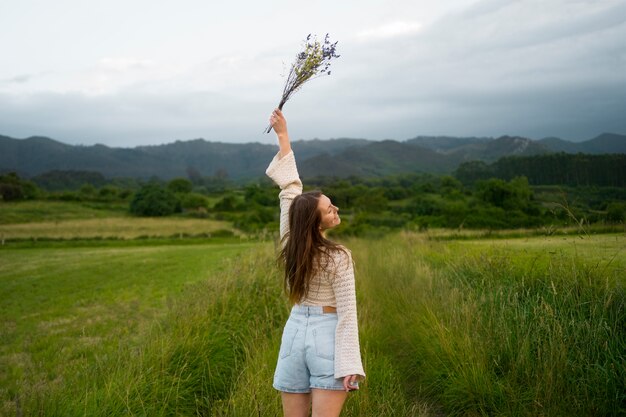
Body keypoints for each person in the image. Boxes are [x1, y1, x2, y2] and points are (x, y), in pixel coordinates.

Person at [266, 109, 366, 417]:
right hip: (326, 333)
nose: (335, 208)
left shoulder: (290, 241)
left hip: (294, 331)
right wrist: (351, 363)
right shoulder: (338, 256)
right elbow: (347, 312)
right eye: (327, 208)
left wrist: (283, 136)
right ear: (314, 221)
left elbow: (290, 192)